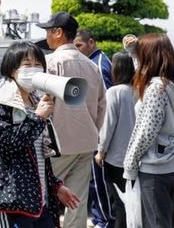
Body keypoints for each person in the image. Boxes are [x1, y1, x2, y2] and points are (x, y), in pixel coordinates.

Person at [0, 41, 80, 227]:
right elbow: (6, 144)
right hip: (9, 201)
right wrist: (38, 118)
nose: (34, 69)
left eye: (38, 64)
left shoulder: (35, 100)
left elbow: (40, 154)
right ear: (11, 69)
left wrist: (55, 185)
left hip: (38, 200)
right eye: (27, 64)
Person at [36, 11, 106, 227]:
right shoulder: (92, 66)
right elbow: (102, 106)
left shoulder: (50, 62)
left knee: (43, 197)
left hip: (57, 144)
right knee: (77, 200)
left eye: (48, 30)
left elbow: (40, 104)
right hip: (86, 142)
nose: (46, 36)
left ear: (58, 32)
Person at [123, 33, 174, 228]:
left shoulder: (155, 89)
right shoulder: (171, 84)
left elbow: (145, 132)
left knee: (157, 224)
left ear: (149, 57)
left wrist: (130, 164)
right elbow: (143, 74)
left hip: (156, 171)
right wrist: (133, 52)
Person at [74, 28, 114, 228]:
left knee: (99, 183)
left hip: (98, 136)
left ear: (92, 42)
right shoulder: (96, 62)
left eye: (79, 45)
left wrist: (101, 142)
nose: (77, 50)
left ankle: (104, 221)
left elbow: (106, 105)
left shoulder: (98, 64)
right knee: (95, 182)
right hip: (95, 134)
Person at [94, 51, 137, 228]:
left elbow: (108, 125)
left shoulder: (114, 92)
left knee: (119, 203)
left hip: (117, 157)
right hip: (138, 157)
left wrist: (101, 151)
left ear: (116, 69)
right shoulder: (138, 91)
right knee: (135, 202)